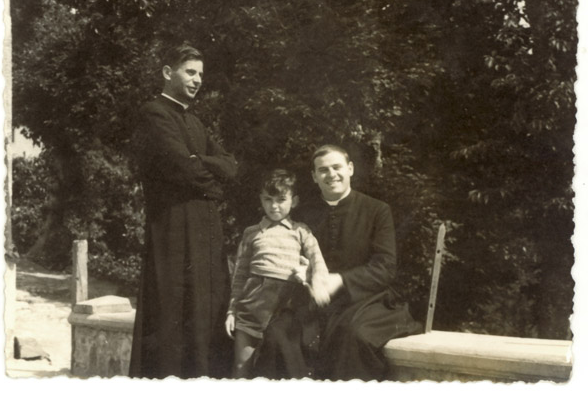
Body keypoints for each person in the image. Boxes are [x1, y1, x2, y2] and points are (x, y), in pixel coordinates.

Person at [254, 144, 422, 381]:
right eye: (323, 170)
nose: (331, 174)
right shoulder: (304, 214)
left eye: (337, 167)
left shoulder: (377, 210)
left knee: (352, 335)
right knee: (277, 334)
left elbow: (384, 267)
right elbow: (285, 252)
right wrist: (302, 271)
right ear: (314, 176)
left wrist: (340, 280)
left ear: (350, 169)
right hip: (312, 299)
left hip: (364, 300)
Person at [129, 43, 238, 379]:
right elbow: (182, 168)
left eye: (200, 74)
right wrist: (210, 178)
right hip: (173, 232)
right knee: (172, 314)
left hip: (206, 233)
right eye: (190, 72)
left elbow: (231, 166)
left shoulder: (195, 122)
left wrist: (200, 161)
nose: (197, 80)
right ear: (167, 72)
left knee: (206, 310)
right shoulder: (154, 114)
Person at [225, 169, 330, 378]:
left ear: (294, 201)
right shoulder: (251, 232)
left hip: (287, 304)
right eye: (268, 199)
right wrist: (231, 311)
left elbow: (317, 260)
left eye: (281, 200)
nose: (274, 206)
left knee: (282, 361)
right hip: (253, 303)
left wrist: (319, 285)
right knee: (241, 365)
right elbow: (240, 274)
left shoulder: (301, 231)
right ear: (261, 200)